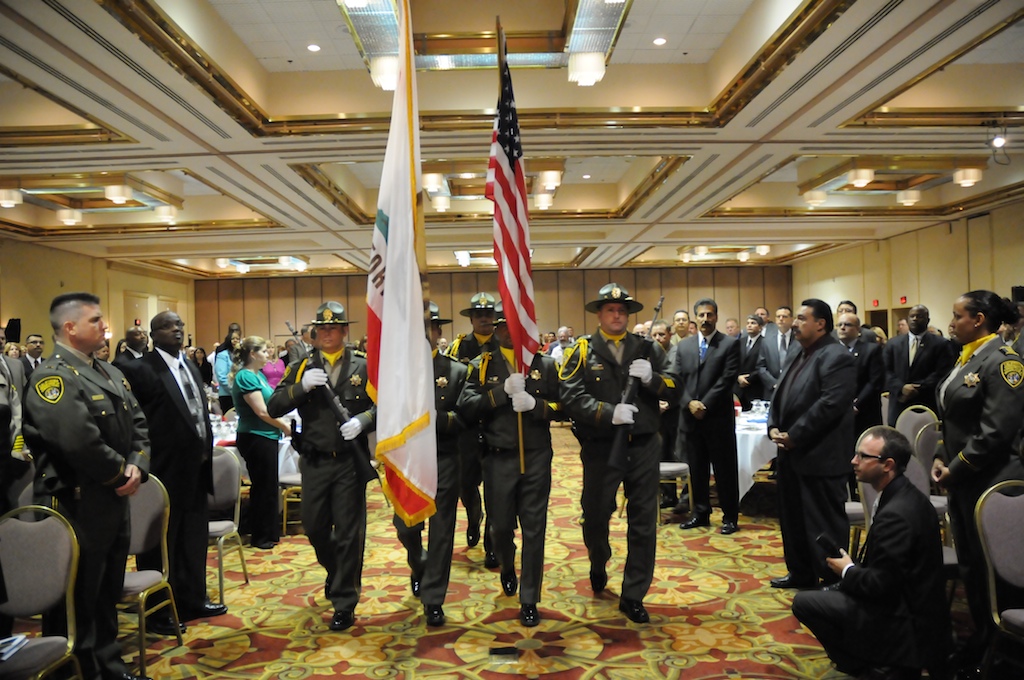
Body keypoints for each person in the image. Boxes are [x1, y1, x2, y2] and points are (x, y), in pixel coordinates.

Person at [23, 292, 149, 680]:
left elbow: (139, 424)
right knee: (78, 594)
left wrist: (138, 465)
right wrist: (120, 475)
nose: (105, 327)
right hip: (76, 501)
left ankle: (107, 664)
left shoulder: (108, 371)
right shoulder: (53, 378)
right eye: (96, 320)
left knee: (107, 587)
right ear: (70, 328)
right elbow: (78, 442)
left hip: (110, 498)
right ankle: (77, 669)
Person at [559, 283, 677, 624]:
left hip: (643, 444)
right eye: (610, 310)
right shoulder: (583, 350)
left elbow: (676, 385)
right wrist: (609, 412)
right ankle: (599, 560)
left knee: (644, 521)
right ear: (599, 314)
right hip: (601, 446)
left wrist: (653, 379)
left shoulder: (647, 348)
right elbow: (570, 396)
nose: (617, 315)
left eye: (622, 311)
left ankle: (633, 594)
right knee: (596, 516)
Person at [792, 427, 948, 680]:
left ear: (888, 465)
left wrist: (847, 570)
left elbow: (880, 585)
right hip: (910, 605)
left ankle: (873, 666)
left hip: (904, 619)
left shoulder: (896, 514)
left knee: (804, 603)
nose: (854, 461)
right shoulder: (905, 495)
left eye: (863, 456)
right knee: (829, 594)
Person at [268, 301, 377, 632]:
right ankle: (337, 572)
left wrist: (363, 421)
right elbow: (274, 406)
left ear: (345, 331)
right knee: (314, 527)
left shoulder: (364, 365)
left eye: (334, 328)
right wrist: (301, 387)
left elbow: (384, 404)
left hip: (348, 462)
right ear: (315, 333)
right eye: (322, 329)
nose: (328, 333)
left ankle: (345, 601)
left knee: (348, 534)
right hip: (314, 461)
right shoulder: (301, 366)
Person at [931, 290, 1024, 671]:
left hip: (992, 481)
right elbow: (953, 420)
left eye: (957, 316)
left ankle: (1003, 650)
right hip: (965, 479)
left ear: (979, 319)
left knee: (993, 569)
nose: (951, 323)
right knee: (970, 562)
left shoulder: (1004, 362)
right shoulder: (968, 356)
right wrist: (941, 455)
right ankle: (982, 636)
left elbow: (996, 431)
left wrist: (956, 467)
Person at [120, 311, 225, 635]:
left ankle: (193, 598)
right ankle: (159, 611)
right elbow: (134, 422)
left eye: (179, 325)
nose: (176, 330)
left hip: (196, 468)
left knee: (193, 539)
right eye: (167, 326)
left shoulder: (189, 365)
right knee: (161, 544)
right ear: (153, 334)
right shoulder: (140, 368)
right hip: (163, 470)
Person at [457, 303, 562, 627]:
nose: (508, 331)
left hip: (536, 456)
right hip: (498, 457)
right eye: (503, 325)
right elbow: (467, 407)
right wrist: (500, 393)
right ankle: (506, 564)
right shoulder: (481, 365)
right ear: (496, 329)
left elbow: (564, 406)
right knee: (500, 527)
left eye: (515, 325)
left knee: (535, 529)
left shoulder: (544, 365)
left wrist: (537, 406)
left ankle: (529, 598)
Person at [767, 299, 856, 589]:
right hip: (791, 454)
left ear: (820, 324)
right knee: (792, 519)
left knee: (823, 521)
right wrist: (773, 426)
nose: (795, 323)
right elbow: (779, 393)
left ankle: (833, 578)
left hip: (820, 454)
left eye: (802, 319)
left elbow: (830, 404)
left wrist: (795, 435)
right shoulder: (798, 351)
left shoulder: (836, 356)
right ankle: (800, 572)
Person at [393, 303, 467, 627]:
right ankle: (418, 561)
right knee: (405, 527)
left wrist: (435, 418)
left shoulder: (457, 372)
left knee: (442, 531)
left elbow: (465, 418)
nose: (424, 334)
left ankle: (434, 598)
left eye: (430, 328)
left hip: (444, 457)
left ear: (438, 333)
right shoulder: (397, 372)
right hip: (407, 459)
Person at [675, 298, 741, 535]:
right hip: (691, 419)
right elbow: (677, 379)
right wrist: (689, 403)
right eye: (701, 315)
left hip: (718, 419)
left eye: (709, 315)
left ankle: (730, 517)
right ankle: (700, 513)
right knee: (697, 470)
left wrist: (705, 404)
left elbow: (727, 379)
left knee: (725, 471)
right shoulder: (684, 346)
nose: (705, 319)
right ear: (695, 318)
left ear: (716, 317)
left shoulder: (730, 344)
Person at [445, 292, 500, 564]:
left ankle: (492, 542)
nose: (484, 319)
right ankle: (473, 514)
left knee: (496, 487)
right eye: (479, 315)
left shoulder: (504, 344)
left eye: (488, 314)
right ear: (471, 319)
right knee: (465, 484)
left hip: (496, 425)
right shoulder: (459, 348)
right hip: (466, 428)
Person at [230, 336, 290, 549]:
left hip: (266, 435)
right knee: (263, 486)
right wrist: (285, 426)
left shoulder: (258, 375)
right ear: (253, 354)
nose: (268, 355)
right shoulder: (246, 376)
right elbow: (262, 411)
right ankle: (260, 535)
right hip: (255, 436)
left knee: (268, 485)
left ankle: (268, 532)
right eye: (264, 351)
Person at [883, 305, 954, 426]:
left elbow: (942, 372)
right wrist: (901, 387)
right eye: (912, 316)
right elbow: (885, 371)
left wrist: (918, 388)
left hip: (926, 403)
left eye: (919, 316)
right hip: (899, 404)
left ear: (927, 320)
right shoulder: (893, 343)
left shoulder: (941, 344)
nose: (915, 319)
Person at [837, 312, 884, 438]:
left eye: (847, 325)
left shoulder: (871, 350)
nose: (842, 328)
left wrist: (857, 405)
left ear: (858, 329)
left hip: (864, 411)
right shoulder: (830, 351)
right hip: (837, 413)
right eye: (839, 325)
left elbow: (875, 382)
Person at [756, 306, 799, 401]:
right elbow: (760, 366)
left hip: (793, 390)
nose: (781, 319)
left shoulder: (799, 340)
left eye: (784, 316)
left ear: (792, 319)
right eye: (778, 316)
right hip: (771, 390)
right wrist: (773, 383)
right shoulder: (766, 341)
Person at [735, 314, 764, 410]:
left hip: (755, 387)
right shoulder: (740, 342)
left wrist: (749, 378)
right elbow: (733, 362)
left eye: (753, 323)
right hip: (738, 387)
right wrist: (738, 377)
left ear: (760, 327)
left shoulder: (765, 343)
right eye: (748, 323)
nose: (749, 325)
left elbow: (764, 365)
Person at [214, 323, 242, 413]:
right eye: (233, 339)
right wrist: (235, 391)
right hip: (227, 395)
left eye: (237, 339)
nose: (235, 341)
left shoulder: (242, 355)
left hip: (242, 394)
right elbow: (221, 377)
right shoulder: (222, 354)